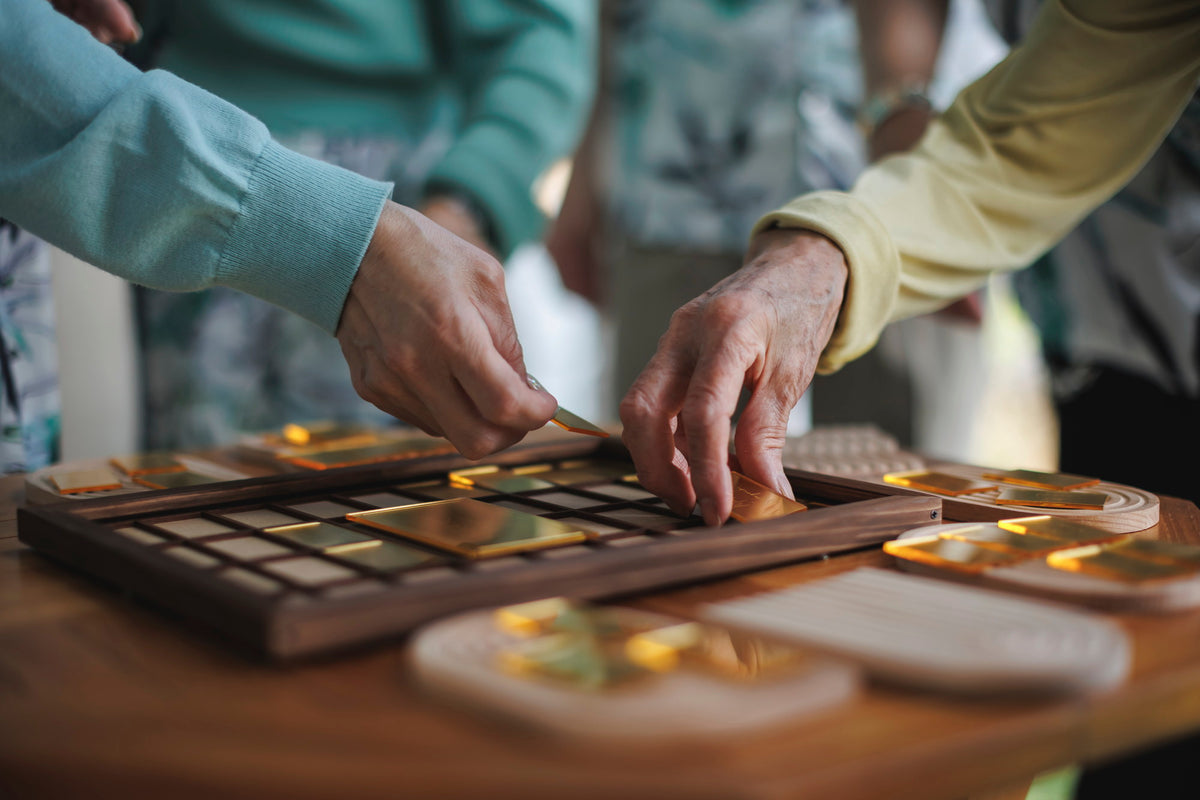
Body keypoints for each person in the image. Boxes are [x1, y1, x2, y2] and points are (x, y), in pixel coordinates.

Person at [618, 0, 1200, 527]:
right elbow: (1031, 135)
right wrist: (823, 253)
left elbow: (1045, 127)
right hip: (1105, 316)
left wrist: (836, 242)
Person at [1, 0, 560, 469]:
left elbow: (539, 31)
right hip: (160, 194)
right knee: (198, 531)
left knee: (377, 537)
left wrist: (464, 207)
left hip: (382, 226)